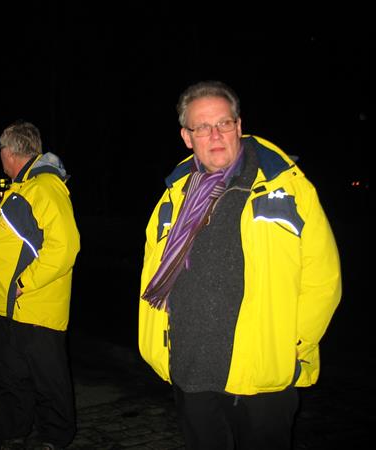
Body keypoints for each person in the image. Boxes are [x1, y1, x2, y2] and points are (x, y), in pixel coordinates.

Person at [138, 80, 341, 450]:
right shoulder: (173, 198)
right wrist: (160, 349)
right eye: (203, 127)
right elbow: (152, 275)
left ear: (239, 126)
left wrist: (294, 346)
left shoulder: (287, 188)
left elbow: (323, 278)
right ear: (187, 137)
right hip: (191, 367)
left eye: (224, 123)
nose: (215, 135)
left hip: (262, 371)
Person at [0, 121, 80, 450]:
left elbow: (65, 246)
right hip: (9, 306)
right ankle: (12, 430)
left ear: (9, 152)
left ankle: (55, 436)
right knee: (12, 377)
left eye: (0, 149)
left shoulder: (45, 187)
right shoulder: (21, 188)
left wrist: (24, 283)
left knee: (48, 379)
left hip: (35, 305)